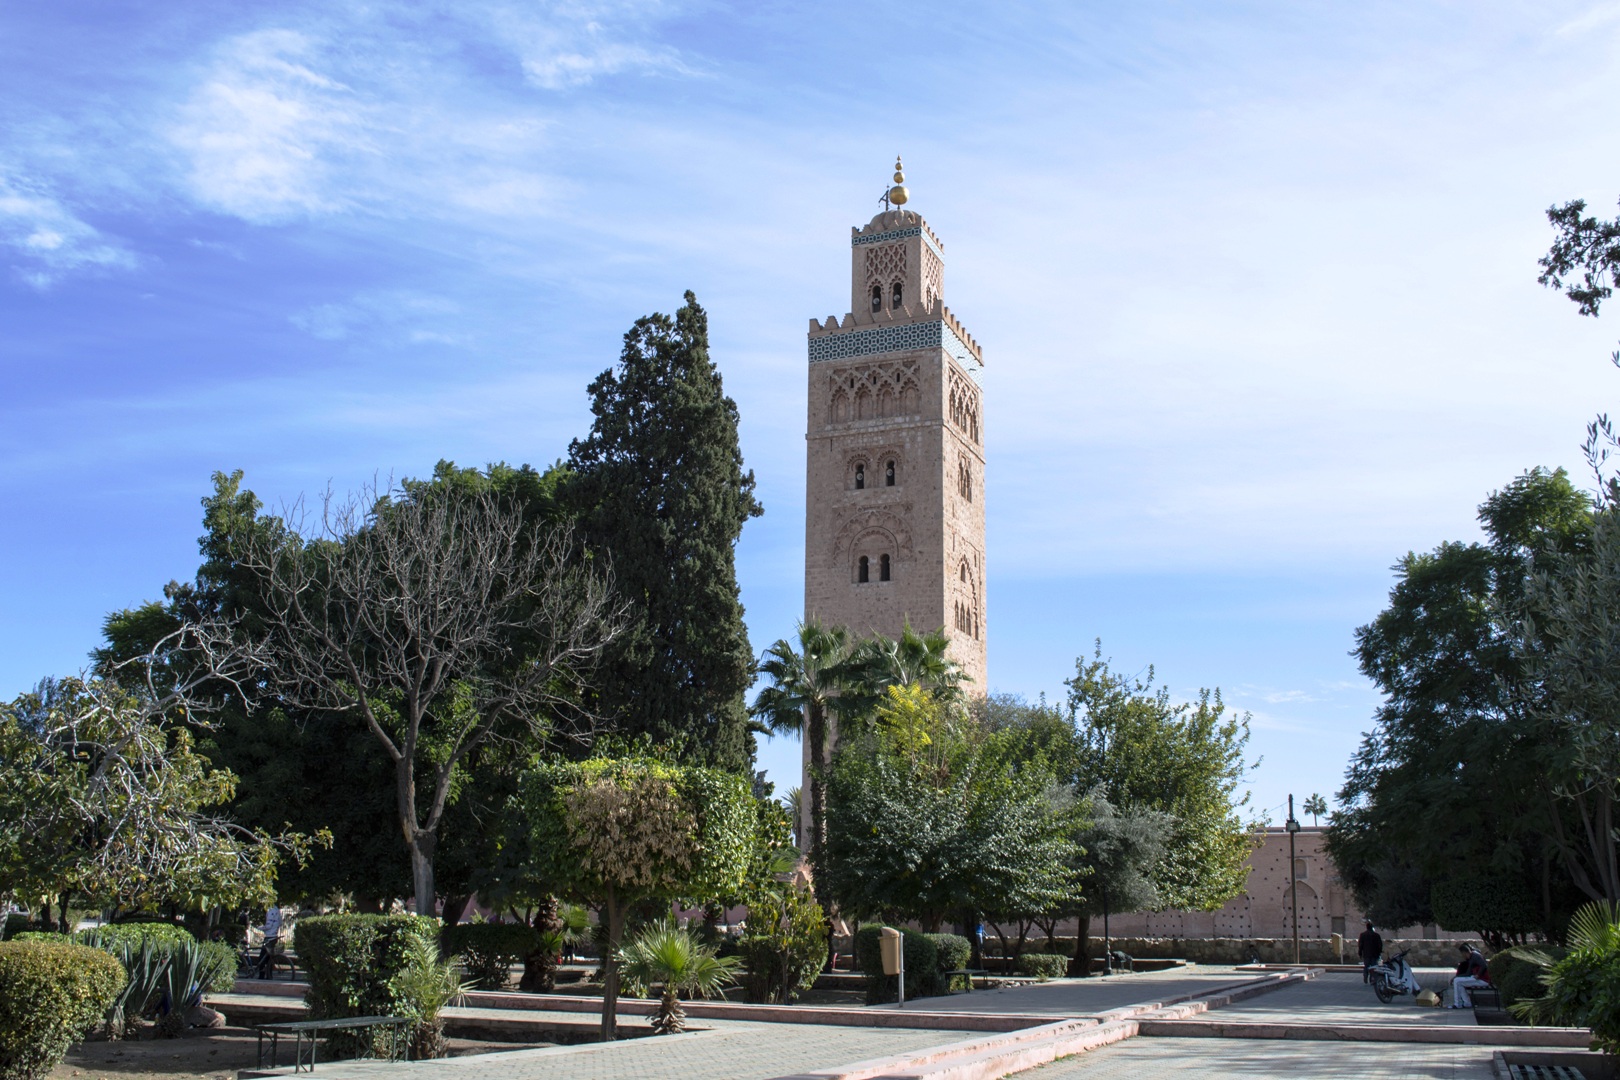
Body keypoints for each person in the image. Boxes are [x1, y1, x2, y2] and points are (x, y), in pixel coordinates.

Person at [1449, 943, 1490, 1008]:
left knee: (1457, 981)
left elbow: (1484, 965)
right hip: (1477, 978)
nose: (1462, 956)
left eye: (1462, 954)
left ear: (1464, 953)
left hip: (1483, 980)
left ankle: (1457, 1004)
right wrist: (1455, 977)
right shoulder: (1472, 957)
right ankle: (1467, 1003)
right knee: (1457, 982)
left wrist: (1478, 975)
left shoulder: (1475, 956)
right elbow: (1468, 973)